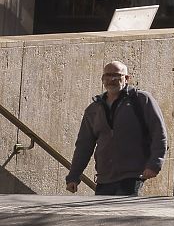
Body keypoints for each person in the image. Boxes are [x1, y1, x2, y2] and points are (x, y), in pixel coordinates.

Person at [66, 62, 167, 196]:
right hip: (104, 177)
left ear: (127, 79)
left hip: (133, 175)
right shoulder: (94, 109)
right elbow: (84, 145)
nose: (111, 79)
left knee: (124, 215)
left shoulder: (141, 100)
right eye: (108, 76)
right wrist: (74, 176)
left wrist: (154, 164)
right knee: (103, 215)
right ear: (102, 79)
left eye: (117, 76)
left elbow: (159, 134)